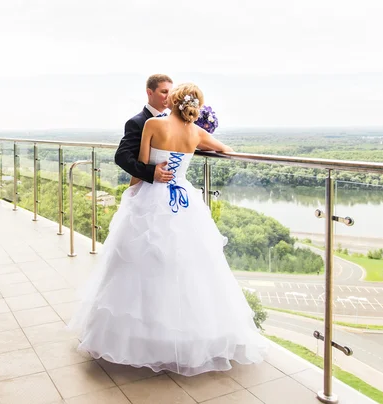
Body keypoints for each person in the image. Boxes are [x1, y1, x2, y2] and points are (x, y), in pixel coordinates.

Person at [69, 83, 268, 376]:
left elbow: (142, 165)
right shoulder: (197, 134)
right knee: (188, 265)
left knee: (141, 261)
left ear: (173, 100)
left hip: (153, 194)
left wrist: (131, 198)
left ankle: (141, 337)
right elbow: (225, 149)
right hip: (184, 199)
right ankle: (184, 337)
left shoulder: (152, 124)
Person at [114, 74, 175, 184]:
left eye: (171, 93)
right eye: (164, 92)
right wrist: (151, 172)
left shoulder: (172, 121)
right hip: (145, 186)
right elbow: (121, 157)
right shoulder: (136, 122)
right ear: (149, 92)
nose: (168, 97)